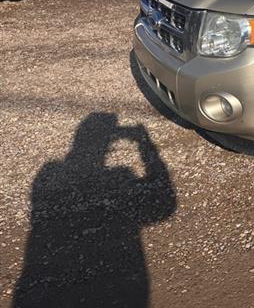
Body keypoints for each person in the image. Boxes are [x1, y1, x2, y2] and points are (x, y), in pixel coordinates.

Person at [13, 113, 176, 307]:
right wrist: (144, 142)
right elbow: (163, 207)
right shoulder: (119, 173)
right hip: (125, 283)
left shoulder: (49, 172)